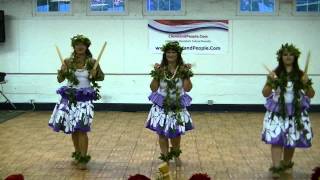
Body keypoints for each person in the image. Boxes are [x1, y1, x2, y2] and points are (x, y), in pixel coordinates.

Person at [48, 34, 104, 170]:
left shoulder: (92, 62)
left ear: (86, 47)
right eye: (77, 44)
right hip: (70, 98)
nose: (80, 47)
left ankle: (83, 158)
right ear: (74, 47)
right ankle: (78, 155)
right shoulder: (67, 61)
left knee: (82, 128)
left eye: (82, 45)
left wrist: (95, 73)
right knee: (73, 129)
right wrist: (62, 72)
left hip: (84, 99)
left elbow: (101, 78)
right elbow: (60, 80)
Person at [261, 43, 315, 178]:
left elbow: (311, 94)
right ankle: (276, 167)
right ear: (281, 57)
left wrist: (306, 83)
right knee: (276, 139)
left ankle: (286, 164)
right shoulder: (276, 73)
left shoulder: (301, 73)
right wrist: (270, 81)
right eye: (285, 54)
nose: (288, 57)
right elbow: (265, 93)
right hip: (277, 112)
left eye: (291, 54)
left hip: (295, 112)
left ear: (295, 57)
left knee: (292, 138)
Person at [146, 41, 193, 166]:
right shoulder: (161, 69)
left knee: (176, 133)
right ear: (165, 54)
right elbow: (153, 88)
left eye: (173, 52)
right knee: (162, 133)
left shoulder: (182, 70)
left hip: (177, 105)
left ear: (178, 54)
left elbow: (188, 89)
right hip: (162, 104)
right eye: (168, 52)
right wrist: (156, 74)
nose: (170, 54)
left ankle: (176, 155)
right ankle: (165, 157)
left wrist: (187, 74)